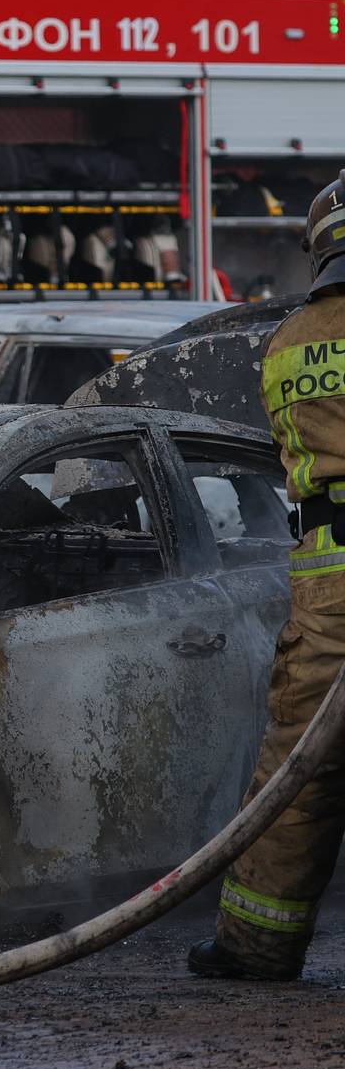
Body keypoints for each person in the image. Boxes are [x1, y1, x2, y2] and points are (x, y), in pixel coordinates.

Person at [189, 171, 345, 981]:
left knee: (300, 766)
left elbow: (295, 460)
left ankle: (255, 947)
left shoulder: (289, 343)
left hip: (327, 588)